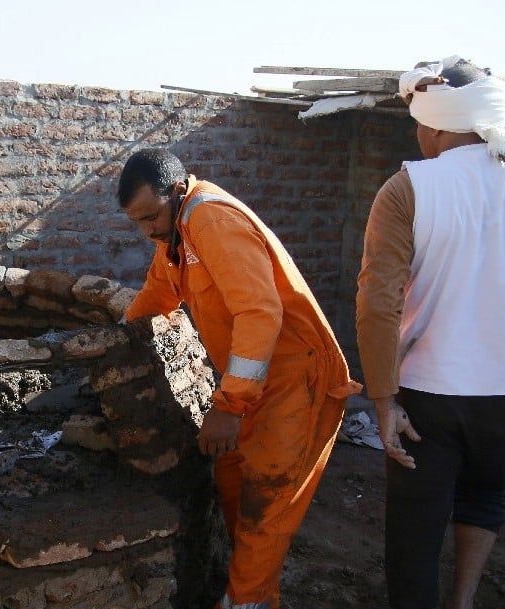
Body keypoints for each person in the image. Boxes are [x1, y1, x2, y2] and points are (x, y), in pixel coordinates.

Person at [356, 56, 505, 609]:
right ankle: (462, 601)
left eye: (419, 125)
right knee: (486, 493)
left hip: (432, 393)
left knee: (416, 522)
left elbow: (378, 303)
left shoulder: (409, 188)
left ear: (436, 125)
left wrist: (384, 400)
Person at [118, 148, 360, 609]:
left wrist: (229, 407)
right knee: (232, 480)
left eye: (151, 217)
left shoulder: (210, 220)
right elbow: (157, 293)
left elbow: (259, 313)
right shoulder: (176, 233)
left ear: (176, 190)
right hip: (253, 382)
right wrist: (114, 339)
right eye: (138, 222)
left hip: (295, 379)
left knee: (265, 502)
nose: (147, 230)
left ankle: (247, 598)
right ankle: (248, 585)